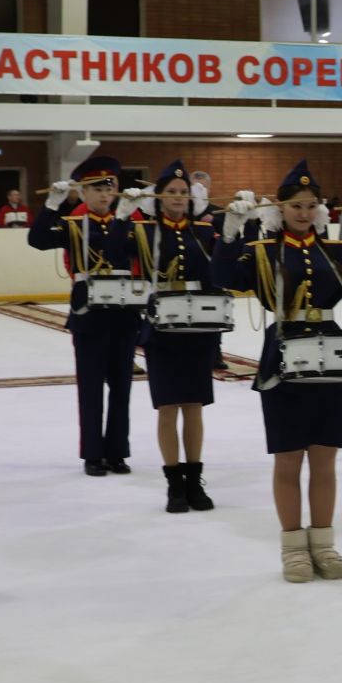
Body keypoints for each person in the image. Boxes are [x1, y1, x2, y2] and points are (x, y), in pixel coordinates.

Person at [214, 161, 342, 582]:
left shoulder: (336, 251)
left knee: (324, 458)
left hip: (329, 356)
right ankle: (292, 548)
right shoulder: (263, 251)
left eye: (311, 205)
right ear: (281, 208)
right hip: (282, 353)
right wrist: (229, 234)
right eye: (296, 205)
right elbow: (224, 276)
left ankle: (324, 542)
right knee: (287, 458)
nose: (304, 212)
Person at [29, 154, 143, 477]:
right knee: (91, 388)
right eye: (96, 189)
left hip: (123, 314)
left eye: (110, 188)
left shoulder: (130, 223)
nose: (104, 195)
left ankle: (117, 452)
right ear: (82, 192)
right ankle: (93, 453)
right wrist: (52, 205)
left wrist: (130, 217)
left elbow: (140, 251)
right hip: (89, 315)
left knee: (122, 387)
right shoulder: (75, 224)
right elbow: (36, 240)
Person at [133, 160, 220, 514]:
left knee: (195, 406)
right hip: (163, 330)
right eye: (171, 192)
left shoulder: (202, 231)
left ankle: (194, 479)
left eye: (183, 193)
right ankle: (173, 483)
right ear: (159, 196)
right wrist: (127, 217)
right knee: (168, 407)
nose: (178, 198)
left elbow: (223, 264)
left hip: (197, 327)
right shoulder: (146, 231)